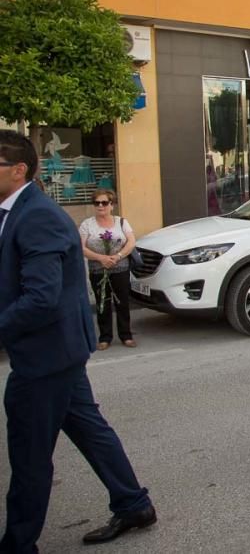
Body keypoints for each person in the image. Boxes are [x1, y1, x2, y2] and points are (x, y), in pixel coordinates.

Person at [0, 130, 156, 550]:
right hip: (57, 349)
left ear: (17, 170)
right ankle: (133, 503)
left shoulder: (37, 216)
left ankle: (17, 543)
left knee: (30, 453)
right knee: (89, 430)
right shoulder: (14, 211)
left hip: (46, 355)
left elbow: (41, 298)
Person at [79, 189, 137, 350]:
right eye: (96, 203)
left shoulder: (122, 222)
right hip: (98, 270)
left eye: (104, 203)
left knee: (122, 303)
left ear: (112, 205)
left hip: (120, 269)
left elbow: (131, 242)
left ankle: (126, 335)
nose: (100, 206)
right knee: (102, 304)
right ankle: (105, 337)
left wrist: (117, 256)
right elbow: (81, 247)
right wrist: (101, 258)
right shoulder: (87, 224)